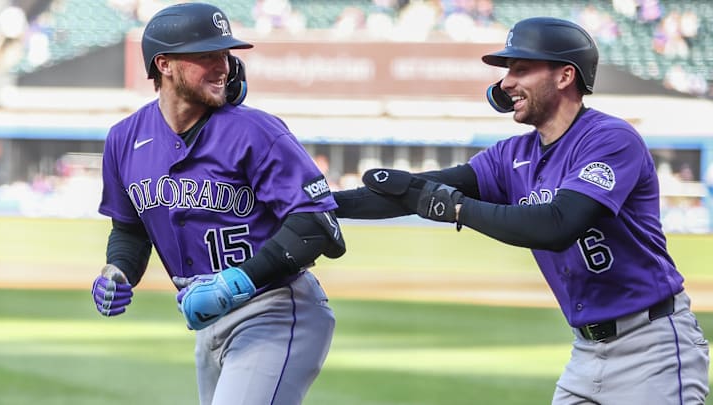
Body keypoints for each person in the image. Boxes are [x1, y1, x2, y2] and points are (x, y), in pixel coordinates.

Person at [334, 17, 709, 404]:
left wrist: (457, 209)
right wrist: (319, 204)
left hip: (653, 348)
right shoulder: (511, 155)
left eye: (521, 69)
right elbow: (419, 191)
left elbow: (558, 225)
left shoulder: (610, 139)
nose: (506, 83)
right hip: (585, 352)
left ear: (565, 76)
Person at [90, 3, 346, 405]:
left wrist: (235, 282)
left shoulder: (255, 131)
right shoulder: (124, 139)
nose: (222, 66)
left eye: (225, 54)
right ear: (165, 64)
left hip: (274, 309)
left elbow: (317, 225)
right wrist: (117, 269)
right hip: (207, 322)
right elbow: (131, 228)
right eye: (206, 55)